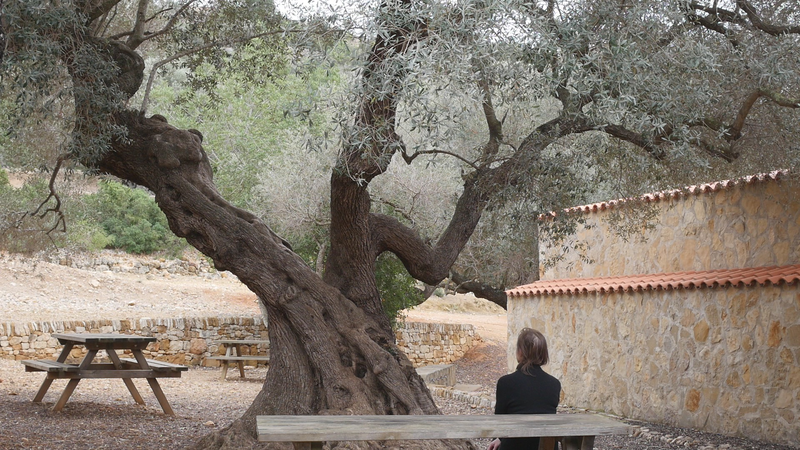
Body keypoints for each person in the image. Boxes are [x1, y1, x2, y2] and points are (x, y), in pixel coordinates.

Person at [487, 328, 561, 450]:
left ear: (520, 351)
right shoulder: (554, 384)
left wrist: (499, 438)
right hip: (546, 446)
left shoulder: (506, 382)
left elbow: (500, 422)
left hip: (514, 445)